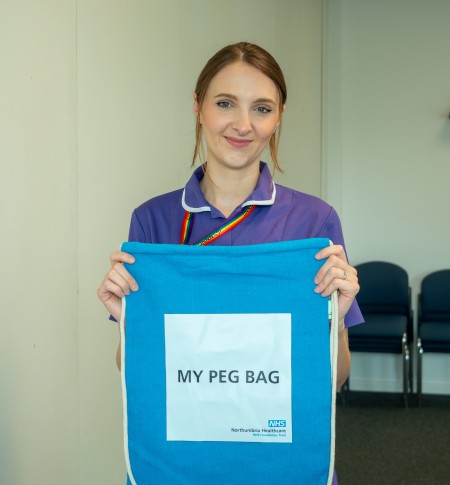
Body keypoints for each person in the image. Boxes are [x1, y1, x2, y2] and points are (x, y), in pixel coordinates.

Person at [97, 41, 362, 484]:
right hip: (183, 464)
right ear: (199, 107)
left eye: (262, 108)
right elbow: (140, 373)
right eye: (225, 104)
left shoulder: (314, 224)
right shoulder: (153, 220)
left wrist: (335, 318)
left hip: (284, 464)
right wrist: (130, 322)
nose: (243, 124)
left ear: (278, 118)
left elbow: (333, 380)